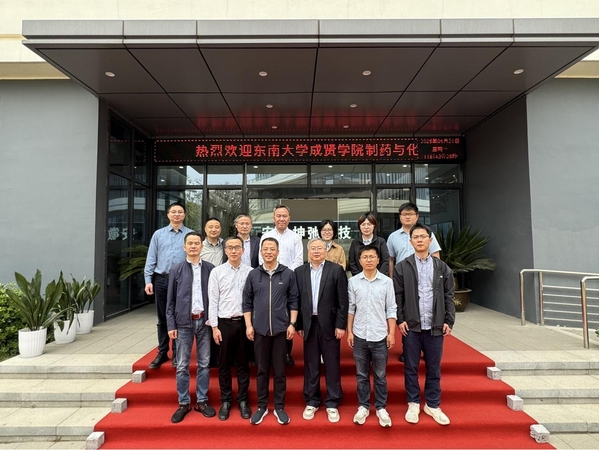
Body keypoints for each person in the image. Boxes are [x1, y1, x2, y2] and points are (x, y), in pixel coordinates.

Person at [394, 223, 455, 426]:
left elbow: (449, 295)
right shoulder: (402, 267)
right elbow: (397, 296)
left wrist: (449, 320)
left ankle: (432, 404)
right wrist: (400, 319)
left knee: (434, 368)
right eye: (416, 237)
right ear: (410, 241)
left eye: (423, 236)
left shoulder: (442, 267)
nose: (419, 240)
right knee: (411, 367)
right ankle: (413, 402)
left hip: (435, 326)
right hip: (411, 326)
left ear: (430, 240)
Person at [243, 237, 299, 426]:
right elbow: (247, 302)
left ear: (278, 251)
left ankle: (279, 407)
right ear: (261, 252)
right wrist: (249, 325)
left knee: (280, 371)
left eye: (272, 249)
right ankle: (261, 406)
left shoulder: (288, 274)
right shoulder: (253, 275)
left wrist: (292, 324)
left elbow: (294, 300)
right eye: (265, 249)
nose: (268, 252)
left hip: (281, 330)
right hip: (259, 331)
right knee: (262, 370)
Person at [295, 238, 348, 423]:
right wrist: (299, 325)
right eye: (313, 248)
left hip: (330, 325)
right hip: (309, 325)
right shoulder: (299, 272)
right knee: (311, 364)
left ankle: (333, 401)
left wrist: (341, 325)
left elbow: (343, 301)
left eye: (320, 248)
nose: (316, 251)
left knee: (332, 364)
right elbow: (297, 300)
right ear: (308, 251)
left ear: (326, 251)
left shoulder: (336, 270)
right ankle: (312, 400)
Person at [166, 232, 216, 424]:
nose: (194, 246)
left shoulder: (210, 269)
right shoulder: (176, 270)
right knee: (182, 365)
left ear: (202, 247)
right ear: (184, 247)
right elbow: (170, 301)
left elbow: (215, 297)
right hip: (183, 323)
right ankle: (184, 402)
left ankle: (202, 400)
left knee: (204, 363)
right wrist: (171, 325)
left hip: (205, 322)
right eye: (190, 243)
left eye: (197, 243)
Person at [347, 244, 396, 428]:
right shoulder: (353, 282)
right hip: (360, 335)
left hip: (379, 335)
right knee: (361, 375)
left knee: (380, 375)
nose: (368, 260)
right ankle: (364, 406)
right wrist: (349, 331)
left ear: (378, 260)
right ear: (360, 261)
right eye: (365, 257)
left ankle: (381, 407)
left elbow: (391, 308)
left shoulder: (386, 282)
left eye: (372, 257)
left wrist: (391, 333)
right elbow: (351, 308)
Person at [386, 202, 441, 362]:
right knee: (406, 315)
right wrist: (392, 280)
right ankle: (408, 349)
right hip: (403, 281)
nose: (407, 217)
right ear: (400, 217)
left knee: (426, 313)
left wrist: (436, 279)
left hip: (426, 280)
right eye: (404, 214)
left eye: (410, 214)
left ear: (417, 216)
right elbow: (391, 260)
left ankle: (427, 348)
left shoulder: (426, 234)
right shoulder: (393, 237)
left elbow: (436, 255)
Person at [208, 236, 253, 421]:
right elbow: (213, 301)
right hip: (224, 324)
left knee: (243, 364)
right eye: (230, 248)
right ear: (225, 251)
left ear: (243, 250)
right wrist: (214, 327)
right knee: (224, 365)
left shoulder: (251, 272)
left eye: (237, 247)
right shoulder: (217, 272)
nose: (234, 251)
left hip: (244, 323)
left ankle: (243, 400)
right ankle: (225, 401)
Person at [144, 201, 193, 369]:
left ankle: (177, 352)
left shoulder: (190, 234)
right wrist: (148, 280)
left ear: (184, 215)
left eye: (180, 212)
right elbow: (151, 258)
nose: (177, 214)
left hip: (183, 280)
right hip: (162, 279)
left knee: (180, 317)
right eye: (174, 212)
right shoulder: (158, 234)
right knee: (163, 317)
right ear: (168, 214)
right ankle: (163, 351)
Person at [259, 204, 303, 367]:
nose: (281, 219)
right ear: (273, 218)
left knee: (286, 315)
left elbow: (299, 259)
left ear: (289, 219)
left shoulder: (295, 237)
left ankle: (286, 352)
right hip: (269, 279)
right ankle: (269, 353)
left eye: (284, 216)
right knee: (270, 313)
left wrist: (286, 274)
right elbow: (261, 258)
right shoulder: (266, 236)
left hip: (289, 279)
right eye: (278, 216)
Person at [348, 212, 389, 277]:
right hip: (359, 279)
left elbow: (385, 261)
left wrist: (378, 277)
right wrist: (359, 277)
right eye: (363, 224)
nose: (366, 227)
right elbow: (352, 262)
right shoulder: (355, 243)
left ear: (374, 226)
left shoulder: (381, 242)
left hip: (378, 279)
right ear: (359, 226)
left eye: (369, 224)